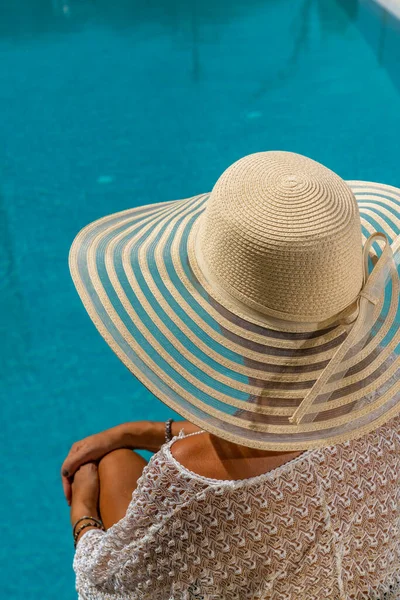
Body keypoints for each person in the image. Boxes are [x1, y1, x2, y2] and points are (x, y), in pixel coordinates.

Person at [62, 151, 400, 599]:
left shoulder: (192, 489)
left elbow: (105, 587)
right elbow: (296, 451)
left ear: (221, 315)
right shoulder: (385, 399)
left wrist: (83, 509)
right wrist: (143, 431)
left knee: (111, 465)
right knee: (122, 453)